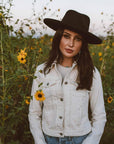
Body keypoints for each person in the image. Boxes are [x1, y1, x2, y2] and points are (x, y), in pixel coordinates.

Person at [28, 10, 106, 144]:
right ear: (59, 37)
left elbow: (99, 116)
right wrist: (40, 141)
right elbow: (34, 113)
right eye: (66, 36)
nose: (71, 44)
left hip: (81, 140)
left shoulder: (91, 73)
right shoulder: (42, 71)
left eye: (78, 39)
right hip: (48, 139)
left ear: (83, 44)